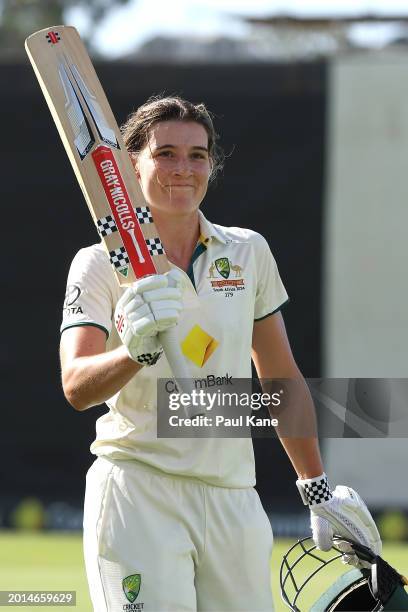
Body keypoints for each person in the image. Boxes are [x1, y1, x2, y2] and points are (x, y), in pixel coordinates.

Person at [60, 95, 381, 611]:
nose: (182, 168)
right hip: (138, 488)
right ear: (129, 165)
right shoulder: (99, 264)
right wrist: (134, 354)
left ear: (212, 163)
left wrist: (316, 487)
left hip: (234, 496)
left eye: (197, 154)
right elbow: (76, 386)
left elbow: (280, 377)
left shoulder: (247, 250)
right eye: (165, 153)